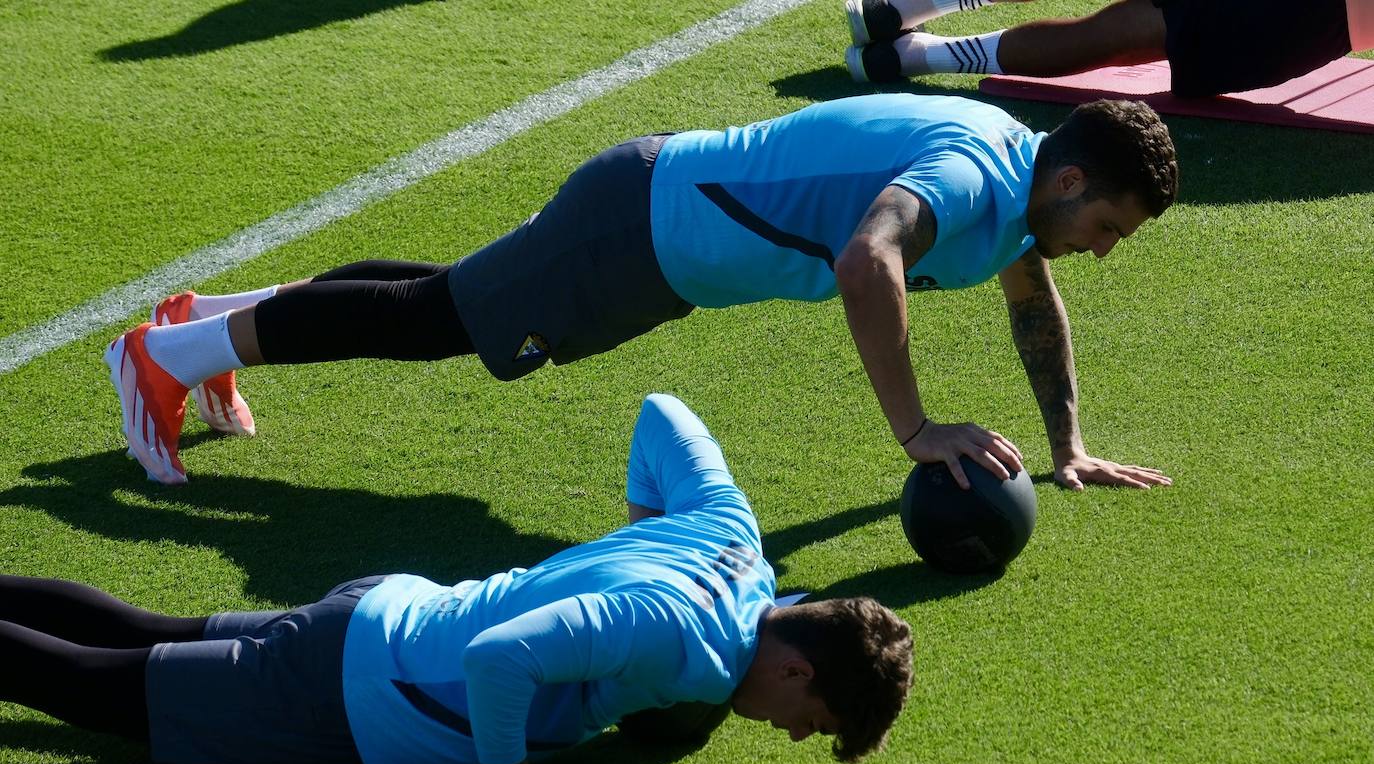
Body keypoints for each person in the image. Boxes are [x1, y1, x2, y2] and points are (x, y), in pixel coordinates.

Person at [105, 93, 1177, 493]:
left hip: (655, 222)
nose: (1101, 251)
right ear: (1071, 181)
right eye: (1107, 228)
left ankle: (206, 326)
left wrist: (1068, 443)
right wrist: (915, 428)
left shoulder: (1019, 188)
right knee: (438, 322)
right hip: (643, 230)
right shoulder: (979, 178)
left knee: (450, 296)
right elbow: (868, 261)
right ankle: (164, 359)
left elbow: (1030, 300)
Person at [1, 394, 914, 764]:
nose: (795, 733)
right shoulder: (691, 650)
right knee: (90, 685)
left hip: (383, 612)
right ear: (796, 668)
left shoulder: (738, 544)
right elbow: (498, 661)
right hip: (360, 695)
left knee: (138, 634)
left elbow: (663, 413)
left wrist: (635, 540)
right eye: (813, 720)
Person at [845, 0, 1374, 98]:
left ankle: (896, 15)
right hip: (1307, 34)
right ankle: (906, 56)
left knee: (1125, 34)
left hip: (1311, 22)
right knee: (1122, 37)